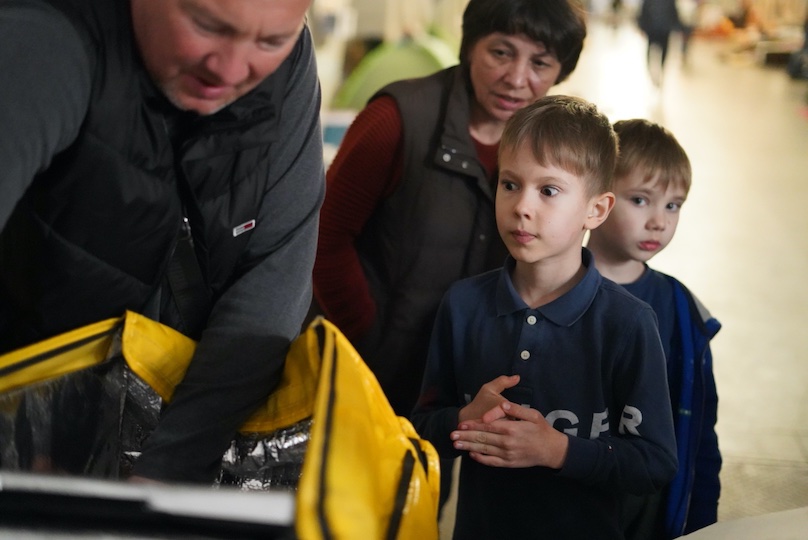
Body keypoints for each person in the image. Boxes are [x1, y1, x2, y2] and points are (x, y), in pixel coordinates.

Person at [0, 0, 325, 484]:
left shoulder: (287, 65)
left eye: (270, 41)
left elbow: (274, 281)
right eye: (206, 25)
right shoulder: (44, 37)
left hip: (176, 427)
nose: (231, 69)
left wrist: (171, 465)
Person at [411, 95, 679, 539]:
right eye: (510, 184)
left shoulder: (628, 323)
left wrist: (558, 450)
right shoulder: (463, 305)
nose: (522, 206)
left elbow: (654, 463)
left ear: (596, 209)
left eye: (548, 190)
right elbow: (420, 429)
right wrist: (463, 419)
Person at [313, 0, 587, 420]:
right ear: (471, 45)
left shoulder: (552, 150)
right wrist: (368, 336)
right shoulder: (398, 119)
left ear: (560, 71)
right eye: (501, 52)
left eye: (540, 63)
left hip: (467, 387)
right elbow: (324, 237)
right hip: (365, 374)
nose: (516, 79)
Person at [586, 119, 721, 538]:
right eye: (641, 200)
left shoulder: (682, 310)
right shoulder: (550, 292)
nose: (659, 221)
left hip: (645, 504)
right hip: (565, 492)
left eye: (673, 205)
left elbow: (700, 427)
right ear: (597, 199)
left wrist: (700, 519)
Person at [637, 0, 681, 85]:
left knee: (659, 50)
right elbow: (644, 11)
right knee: (657, 50)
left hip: (659, 29)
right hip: (657, 29)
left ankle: (658, 70)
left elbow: (673, 12)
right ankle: (654, 70)